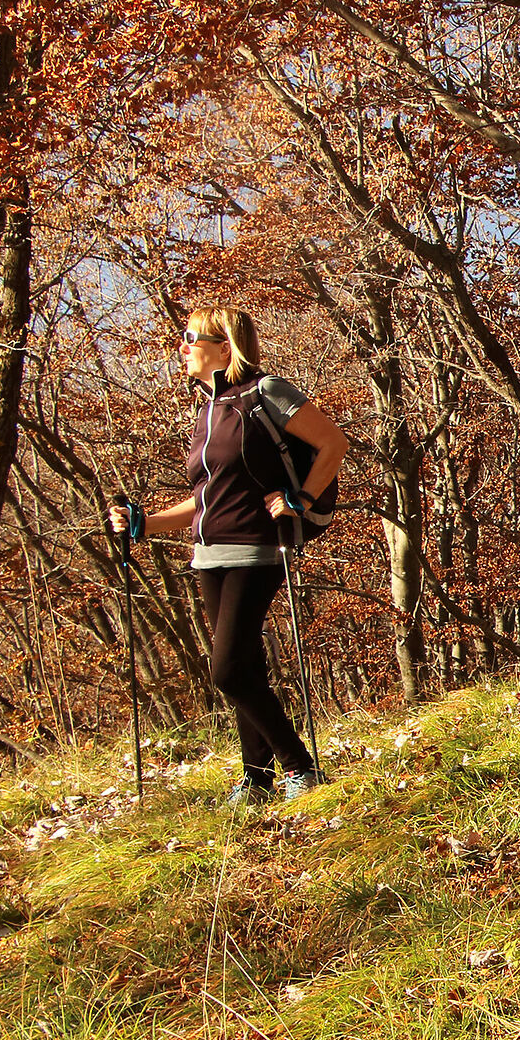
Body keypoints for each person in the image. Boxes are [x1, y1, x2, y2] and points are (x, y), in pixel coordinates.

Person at [109, 307, 349, 806]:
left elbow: (333, 442)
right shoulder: (209, 410)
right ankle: (257, 779)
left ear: (225, 347)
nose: (182, 347)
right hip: (209, 555)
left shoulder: (266, 392)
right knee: (245, 668)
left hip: (256, 547)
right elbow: (206, 498)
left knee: (228, 671)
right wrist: (146, 523)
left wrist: (302, 498)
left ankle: (300, 767)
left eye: (190, 338)